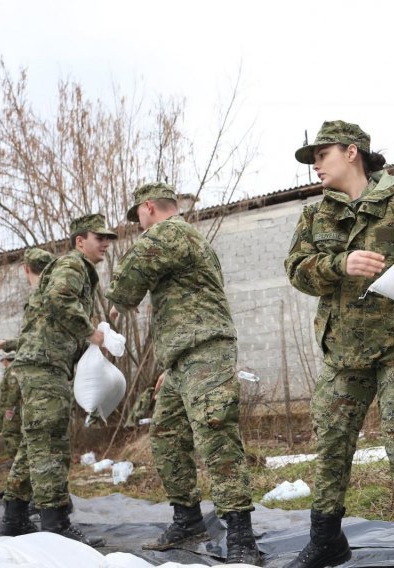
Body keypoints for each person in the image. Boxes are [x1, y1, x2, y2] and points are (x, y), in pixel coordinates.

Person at [284, 120, 394, 568]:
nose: (315, 165)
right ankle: (326, 543)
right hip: (343, 351)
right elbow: (297, 270)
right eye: (313, 159)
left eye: (322, 155)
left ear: (351, 152)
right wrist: (340, 263)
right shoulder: (316, 214)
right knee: (332, 445)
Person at [105, 182, 261, 566]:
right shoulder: (183, 240)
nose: (138, 225)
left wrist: (113, 310)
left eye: (137, 218)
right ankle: (187, 519)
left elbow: (127, 282)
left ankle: (241, 536)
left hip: (205, 350)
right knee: (167, 435)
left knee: (216, 438)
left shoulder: (169, 231)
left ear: (148, 208)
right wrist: (168, 366)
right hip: (182, 358)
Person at [0, 216, 115, 545]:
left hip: (46, 364)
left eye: (108, 238)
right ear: (80, 241)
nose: (106, 243)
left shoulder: (78, 270)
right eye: (99, 237)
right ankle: (55, 524)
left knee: (33, 444)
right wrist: (92, 332)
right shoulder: (73, 265)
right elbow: (59, 301)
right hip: (44, 364)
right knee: (51, 442)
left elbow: (58, 315)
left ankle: (15, 517)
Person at [0, 248, 58, 464]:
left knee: (38, 439)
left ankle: (30, 494)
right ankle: (20, 493)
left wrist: (7, 344)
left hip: (40, 379)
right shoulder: (59, 294)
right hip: (54, 378)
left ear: (26, 269)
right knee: (43, 440)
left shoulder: (40, 298)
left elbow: (33, 340)